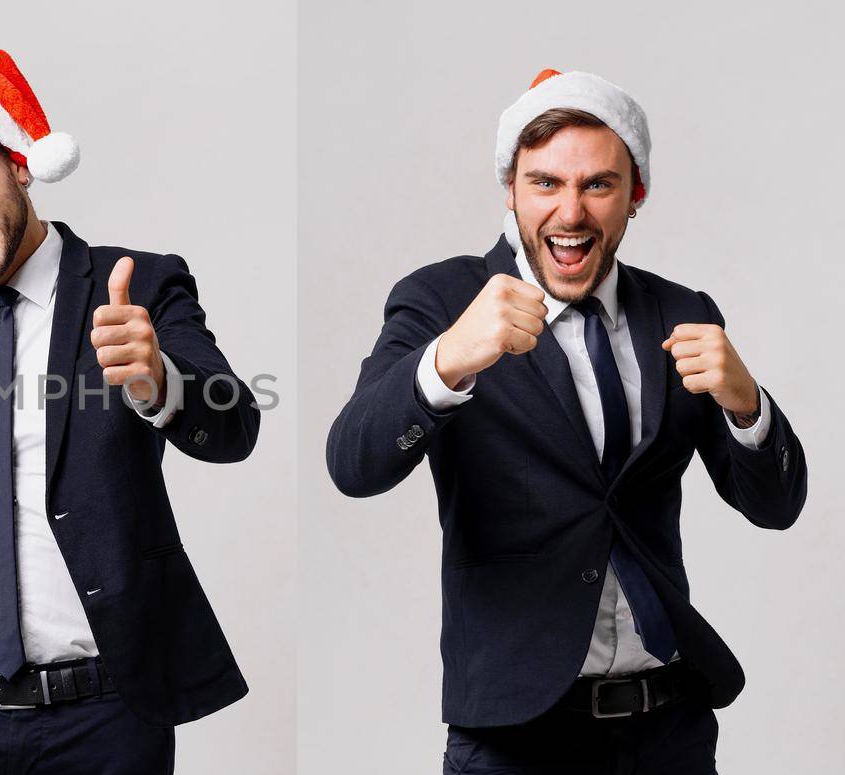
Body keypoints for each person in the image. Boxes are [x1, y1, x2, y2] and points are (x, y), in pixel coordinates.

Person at [327, 69, 808, 774]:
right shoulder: (441, 299)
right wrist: (446, 361)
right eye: (546, 183)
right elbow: (354, 462)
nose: (571, 212)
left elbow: (776, 506)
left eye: (598, 185)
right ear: (511, 189)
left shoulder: (683, 313)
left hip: (668, 726)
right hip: (517, 736)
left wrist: (748, 404)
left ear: (634, 195)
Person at [0, 50, 261, 773]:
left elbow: (233, 424)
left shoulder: (139, 285)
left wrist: (158, 381)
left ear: (21, 165)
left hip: (105, 718)